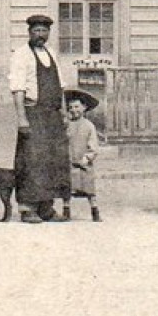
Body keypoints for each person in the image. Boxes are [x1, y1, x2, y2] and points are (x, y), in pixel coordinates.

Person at [8, 14, 75, 223]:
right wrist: (21, 119)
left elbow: (61, 86)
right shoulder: (21, 55)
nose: (40, 34)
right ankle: (27, 208)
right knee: (31, 160)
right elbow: (18, 89)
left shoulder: (51, 53)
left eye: (44, 31)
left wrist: (63, 113)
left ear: (49, 33)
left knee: (53, 160)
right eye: (36, 31)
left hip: (53, 114)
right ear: (29, 32)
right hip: (33, 112)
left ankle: (46, 207)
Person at [65, 90, 103, 223]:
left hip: (84, 164)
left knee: (89, 189)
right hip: (69, 163)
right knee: (67, 189)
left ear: (84, 107)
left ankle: (95, 211)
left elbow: (93, 146)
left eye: (77, 107)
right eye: (70, 107)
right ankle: (66, 210)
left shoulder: (89, 126)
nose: (74, 110)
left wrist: (87, 158)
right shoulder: (66, 125)